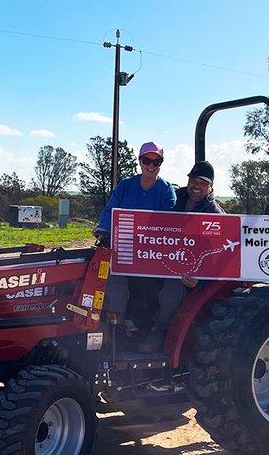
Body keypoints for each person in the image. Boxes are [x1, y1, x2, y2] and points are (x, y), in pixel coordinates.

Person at [138, 160, 225, 352]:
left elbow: (220, 257)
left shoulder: (215, 215)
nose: (197, 186)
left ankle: (159, 331)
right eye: (194, 181)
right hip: (162, 259)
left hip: (187, 271)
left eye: (203, 183)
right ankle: (132, 327)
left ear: (211, 187)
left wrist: (200, 279)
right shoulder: (173, 199)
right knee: (136, 280)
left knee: (172, 292)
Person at [94, 141, 176, 326]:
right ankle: (116, 324)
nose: (151, 166)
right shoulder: (125, 186)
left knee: (154, 289)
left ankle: (150, 326)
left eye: (156, 162)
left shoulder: (166, 190)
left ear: (161, 164)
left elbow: (168, 222)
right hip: (123, 248)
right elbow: (109, 212)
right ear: (140, 161)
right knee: (110, 278)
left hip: (153, 253)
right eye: (147, 160)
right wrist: (105, 232)